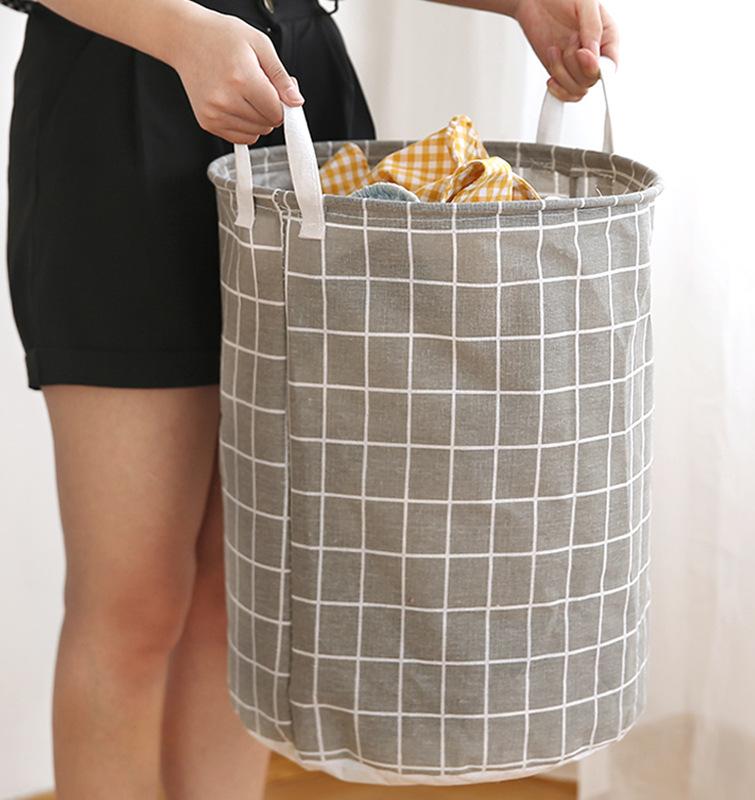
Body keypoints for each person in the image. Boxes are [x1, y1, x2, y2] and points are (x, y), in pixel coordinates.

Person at [2, 1, 618, 797]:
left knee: (246, 596)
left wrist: (519, 4)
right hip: (124, 91)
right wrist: (182, 32)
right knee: (132, 606)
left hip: (297, 96)